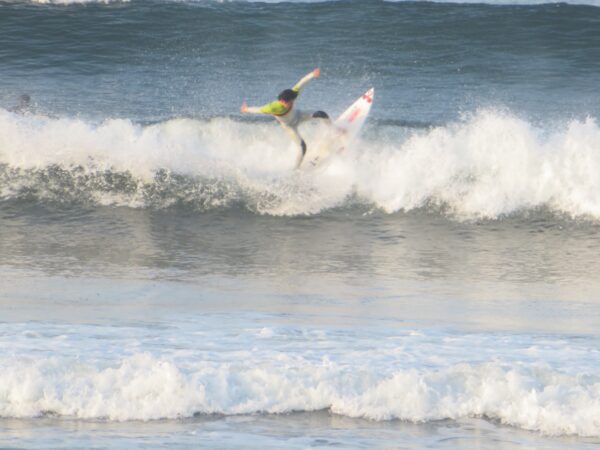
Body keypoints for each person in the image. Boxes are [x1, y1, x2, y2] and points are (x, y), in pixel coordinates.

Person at [240, 68, 329, 168]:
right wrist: (246, 109)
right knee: (303, 147)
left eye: (291, 101)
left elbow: (300, 83)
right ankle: (296, 169)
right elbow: (259, 110)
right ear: (282, 101)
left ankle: (333, 129)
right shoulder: (272, 107)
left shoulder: (292, 94)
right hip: (289, 126)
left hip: (299, 116)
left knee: (321, 114)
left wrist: (313, 74)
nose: (291, 103)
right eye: (288, 103)